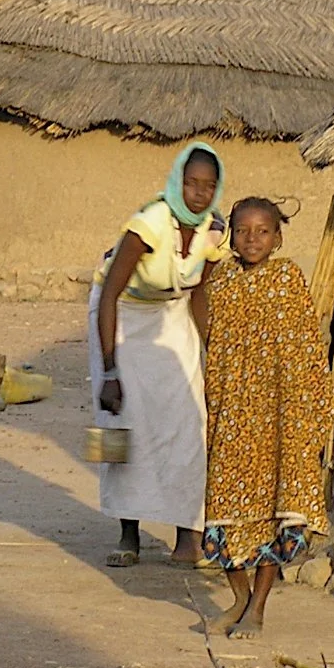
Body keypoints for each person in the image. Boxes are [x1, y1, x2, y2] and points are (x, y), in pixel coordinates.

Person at [201, 197, 334, 638]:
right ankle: (238, 597)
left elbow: (306, 348)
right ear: (231, 237)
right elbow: (212, 342)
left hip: (279, 417)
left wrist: (307, 412)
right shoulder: (221, 281)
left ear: (277, 238)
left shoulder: (287, 279)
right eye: (242, 231)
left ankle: (257, 607)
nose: (252, 239)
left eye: (262, 231)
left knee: (273, 512)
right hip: (232, 415)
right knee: (222, 507)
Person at [91, 141, 225, 568]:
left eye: (209, 186)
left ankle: (188, 535)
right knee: (123, 422)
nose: (200, 193)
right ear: (177, 182)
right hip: (121, 315)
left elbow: (200, 293)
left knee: (189, 421)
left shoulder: (213, 231)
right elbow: (110, 294)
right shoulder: (149, 223)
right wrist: (110, 371)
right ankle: (127, 532)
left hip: (172, 311)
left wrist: (212, 352)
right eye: (192, 183)